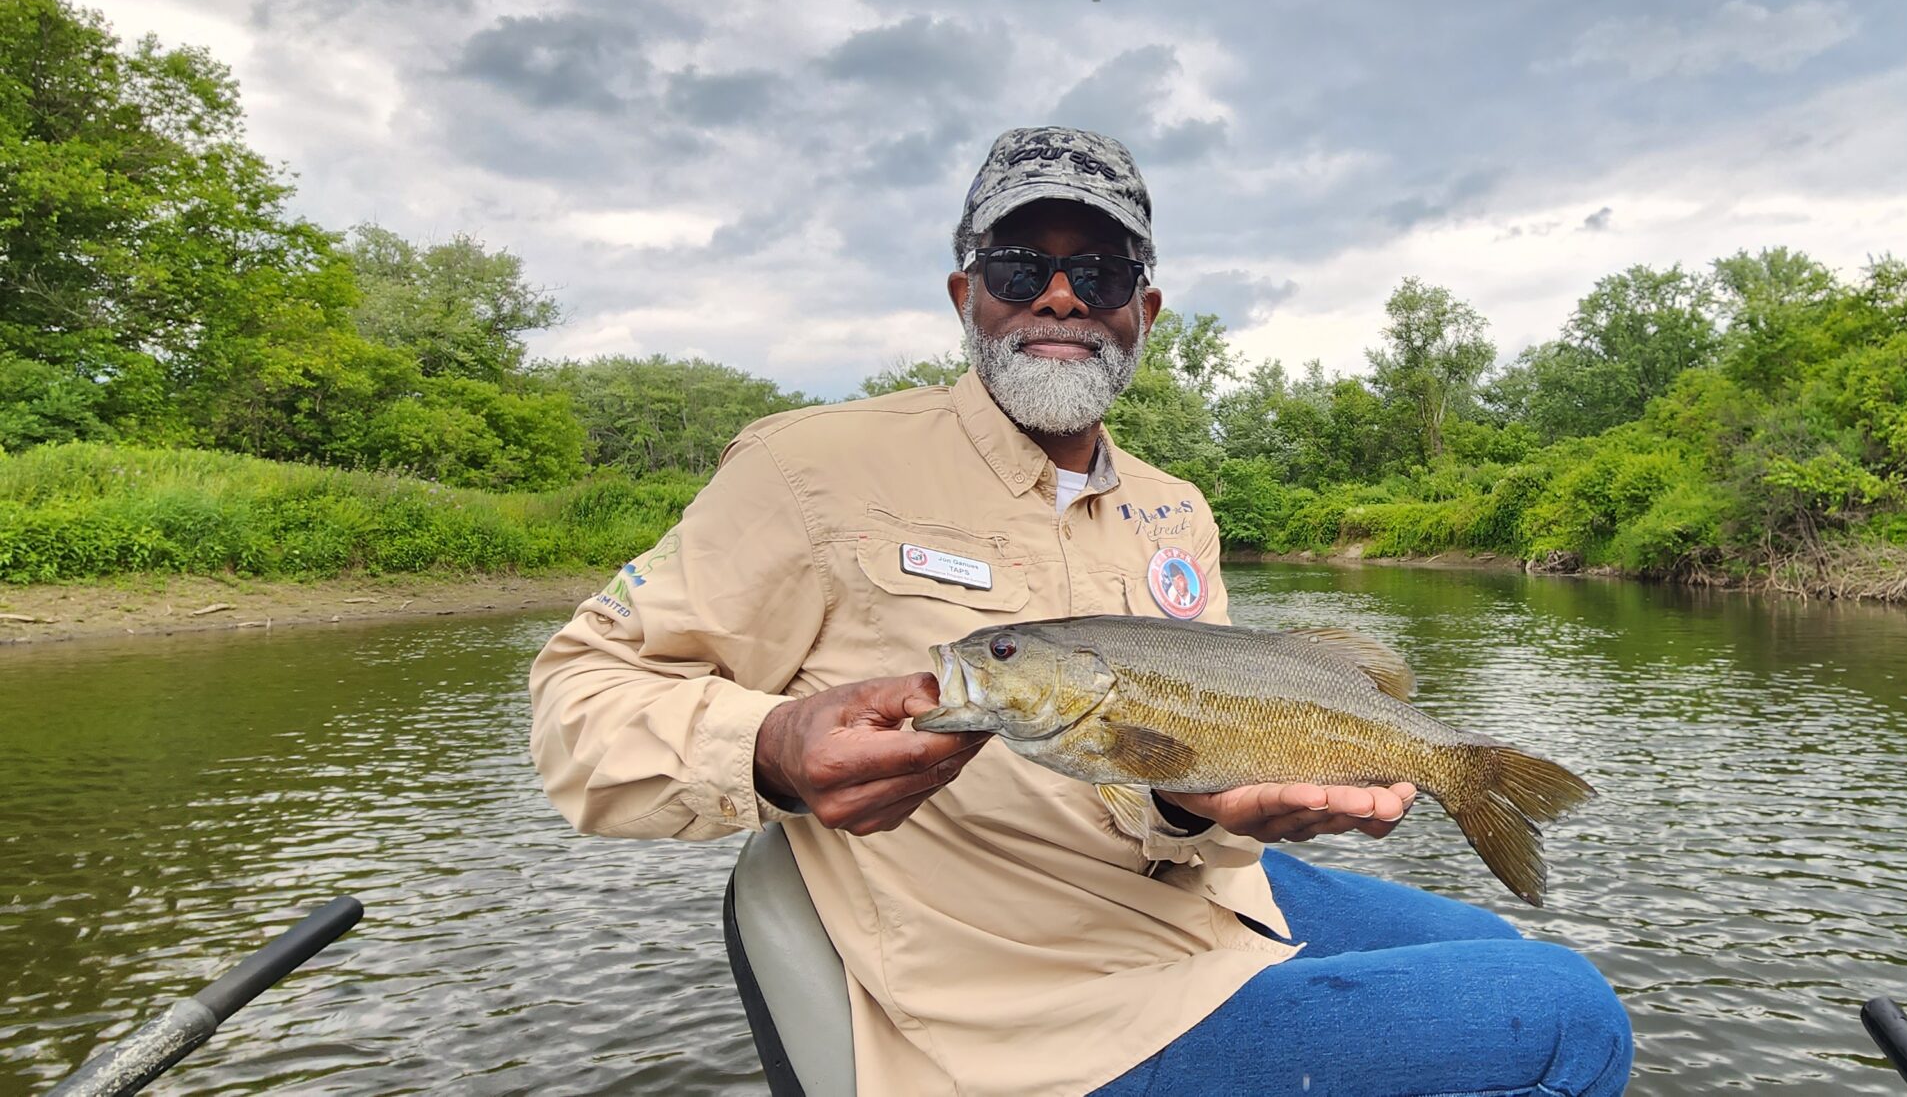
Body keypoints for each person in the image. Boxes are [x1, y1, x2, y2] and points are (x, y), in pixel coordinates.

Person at [527, 127, 1632, 1096]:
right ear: (968, 295)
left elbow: (1186, 767)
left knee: (1490, 940)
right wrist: (765, 744)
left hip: (1200, 898)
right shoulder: (807, 468)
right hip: (1036, 1010)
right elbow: (580, 697)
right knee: (1565, 1016)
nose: (1060, 297)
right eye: (1021, 264)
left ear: (1141, 313)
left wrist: (1203, 808)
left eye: (1099, 272)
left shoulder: (1174, 507)